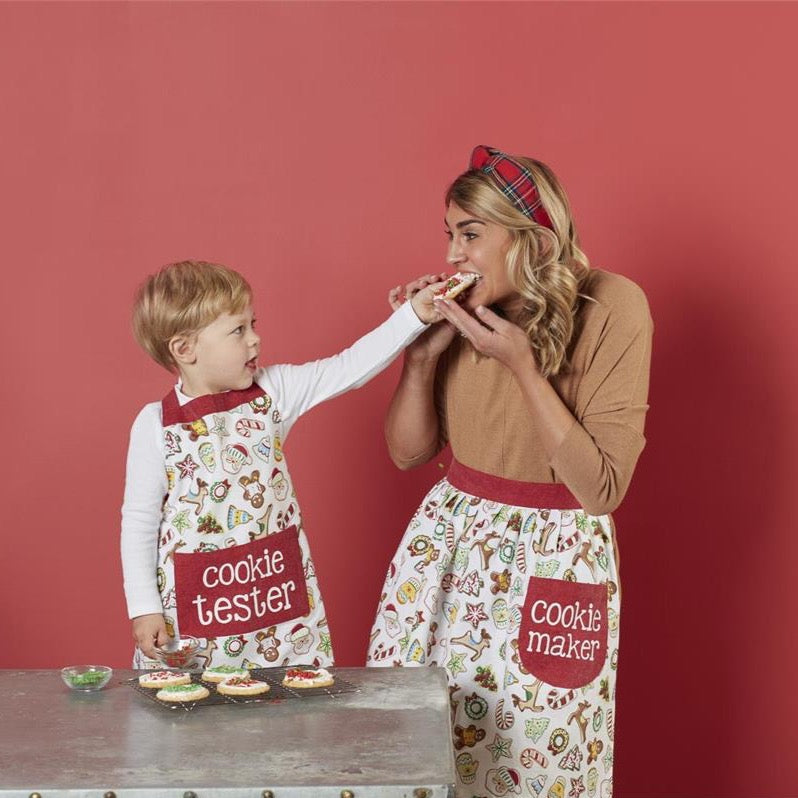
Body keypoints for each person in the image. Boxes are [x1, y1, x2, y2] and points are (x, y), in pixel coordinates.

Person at [368, 146, 653, 796]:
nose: (451, 257)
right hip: (448, 553)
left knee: (538, 767)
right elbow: (408, 453)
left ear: (527, 236)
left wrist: (523, 365)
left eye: (470, 235)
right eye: (449, 236)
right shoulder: (468, 315)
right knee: (422, 757)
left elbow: (600, 488)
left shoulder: (615, 307)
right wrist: (417, 356)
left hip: (555, 561)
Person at [121, 259, 444, 670]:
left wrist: (413, 315)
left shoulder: (273, 392)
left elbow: (349, 367)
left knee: (283, 712)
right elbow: (139, 521)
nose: (255, 341)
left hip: (274, 599)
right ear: (185, 350)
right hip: (196, 612)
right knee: (191, 717)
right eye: (238, 331)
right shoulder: (155, 425)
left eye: (253, 324)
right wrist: (143, 607)